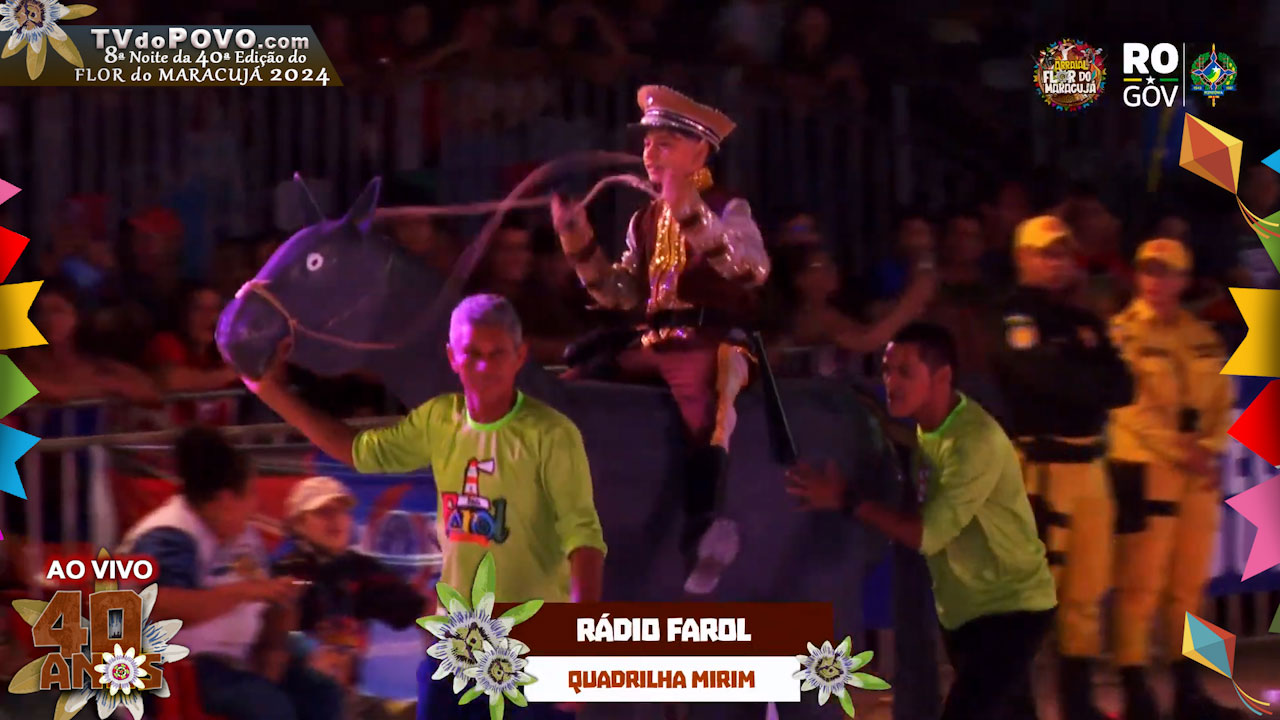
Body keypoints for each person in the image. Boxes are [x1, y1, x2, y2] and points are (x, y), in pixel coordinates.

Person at [241, 293, 606, 720]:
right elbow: (358, 450)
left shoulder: (552, 434)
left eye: (497, 353)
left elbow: (584, 540)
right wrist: (270, 390)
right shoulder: (440, 420)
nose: (484, 366)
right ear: (452, 356)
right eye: (472, 353)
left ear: (520, 355)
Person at [552, 85, 769, 595]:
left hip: (710, 338)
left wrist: (692, 213)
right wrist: (578, 240)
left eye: (665, 143)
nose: (650, 152)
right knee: (571, 386)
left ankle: (704, 530)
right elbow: (622, 294)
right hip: (654, 342)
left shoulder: (729, 207)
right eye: (648, 143)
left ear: (700, 152)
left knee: (707, 406)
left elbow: (751, 270)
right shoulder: (644, 218)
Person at [786, 322, 1056, 720]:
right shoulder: (931, 427)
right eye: (887, 370)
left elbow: (927, 535)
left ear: (942, 376)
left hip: (1010, 610)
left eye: (905, 372)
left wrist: (846, 499)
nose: (891, 383)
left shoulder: (972, 442)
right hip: (967, 611)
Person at [990, 215, 1134, 720]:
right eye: (1046, 253)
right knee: (1030, 596)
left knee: (1086, 594)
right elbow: (1038, 377)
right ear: (1023, 257)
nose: (1058, 263)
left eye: (1064, 253)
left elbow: (1123, 386)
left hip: (1089, 467)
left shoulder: (1082, 319)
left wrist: (1074, 372)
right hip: (1040, 469)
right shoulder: (1014, 315)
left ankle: (1079, 703)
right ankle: (1018, 707)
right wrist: (1083, 374)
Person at [118, 426, 342, 720]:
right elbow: (160, 605)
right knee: (268, 707)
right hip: (174, 667)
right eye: (251, 494)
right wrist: (244, 593)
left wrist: (279, 619)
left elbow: (267, 609)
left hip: (238, 661)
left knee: (321, 694)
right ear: (225, 500)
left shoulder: (244, 536)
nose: (256, 505)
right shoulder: (168, 534)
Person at [1107, 239, 1238, 720]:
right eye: (1148, 270)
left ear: (1184, 280)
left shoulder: (1203, 336)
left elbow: (1223, 399)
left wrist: (1210, 448)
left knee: (1190, 586)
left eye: (1167, 272)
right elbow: (1128, 408)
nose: (1156, 281)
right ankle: (1135, 689)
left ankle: (1190, 688)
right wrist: (1185, 451)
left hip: (1197, 473)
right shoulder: (1121, 333)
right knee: (1140, 584)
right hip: (1145, 468)